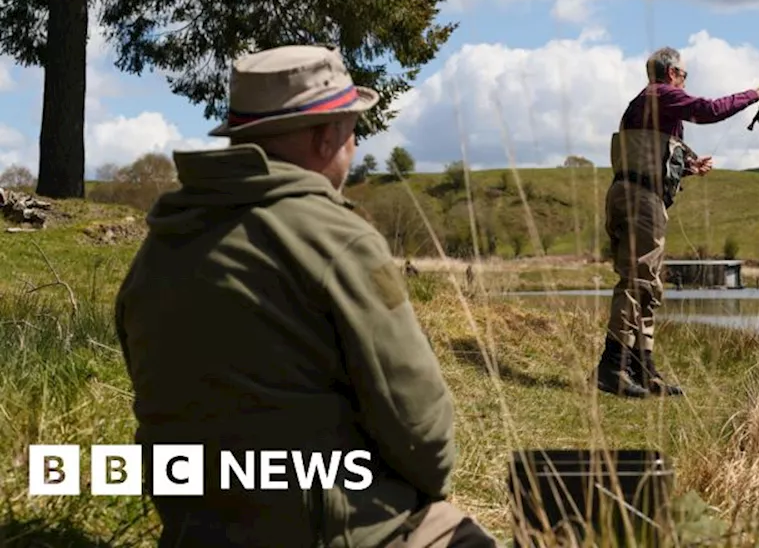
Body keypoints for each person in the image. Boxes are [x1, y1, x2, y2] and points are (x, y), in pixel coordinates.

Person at [114, 44, 496, 547]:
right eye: (353, 130)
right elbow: (420, 429)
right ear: (326, 135)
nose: (354, 145)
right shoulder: (338, 239)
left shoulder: (160, 244)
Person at [596, 46, 759, 398]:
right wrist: (758, 94)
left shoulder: (643, 104)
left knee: (647, 285)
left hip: (627, 194)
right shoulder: (662, 94)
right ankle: (612, 367)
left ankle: (642, 369)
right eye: (685, 76)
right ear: (671, 74)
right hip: (642, 201)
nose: (685, 82)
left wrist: (688, 169)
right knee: (637, 283)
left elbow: (648, 158)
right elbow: (707, 110)